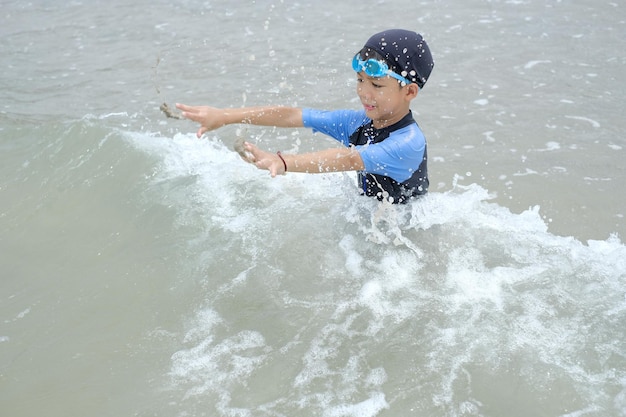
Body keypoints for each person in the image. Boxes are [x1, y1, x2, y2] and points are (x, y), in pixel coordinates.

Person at [176, 29, 434, 204]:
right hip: (374, 222)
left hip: (406, 236)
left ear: (409, 91)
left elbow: (349, 158)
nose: (364, 93)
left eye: (376, 85)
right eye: (359, 80)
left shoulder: (408, 142)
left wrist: (283, 162)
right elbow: (292, 115)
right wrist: (225, 115)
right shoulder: (358, 123)